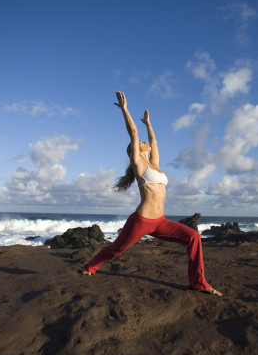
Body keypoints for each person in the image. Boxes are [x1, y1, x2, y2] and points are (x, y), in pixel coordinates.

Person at [81, 91, 222, 296]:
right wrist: (125, 109)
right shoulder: (139, 165)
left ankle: (198, 283)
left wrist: (148, 123)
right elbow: (133, 132)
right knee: (117, 249)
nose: (146, 143)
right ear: (135, 150)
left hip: (161, 222)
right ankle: (89, 267)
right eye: (142, 143)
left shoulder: (154, 164)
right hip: (142, 220)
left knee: (194, 237)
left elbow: (154, 141)